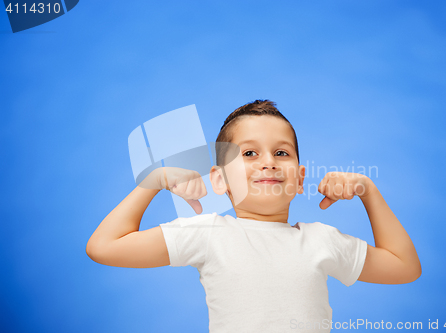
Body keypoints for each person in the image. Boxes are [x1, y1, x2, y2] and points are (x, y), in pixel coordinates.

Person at [86, 99, 421, 332]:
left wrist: (367, 190)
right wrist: (153, 182)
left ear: (300, 177)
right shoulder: (209, 233)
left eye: (281, 152)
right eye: (249, 153)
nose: (268, 162)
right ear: (219, 179)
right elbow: (104, 246)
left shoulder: (321, 240)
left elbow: (404, 267)